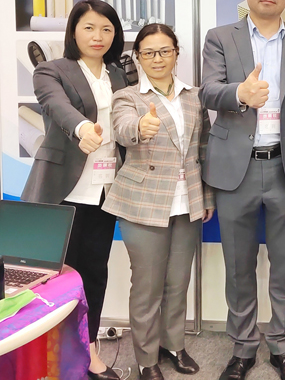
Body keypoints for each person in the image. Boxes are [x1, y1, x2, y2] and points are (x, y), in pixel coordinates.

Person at [200, 0, 285, 380]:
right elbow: (208, 91)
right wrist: (240, 93)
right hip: (234, 169)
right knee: (239, 266)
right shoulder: (220, 37)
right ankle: (242, 348)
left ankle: (283, 347)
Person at [21, 0, 128, 380]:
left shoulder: (120, 75)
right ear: (73, 31)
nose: (98, 36)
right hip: (61, 192)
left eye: (107, 29)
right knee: (52, 278)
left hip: (105, 191)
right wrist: (83, 128)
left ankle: (90, 350)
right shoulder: (52, 70)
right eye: (89, 27)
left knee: (94, 273)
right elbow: (56, 106)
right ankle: (48, 358)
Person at [103, 24, 214, 380]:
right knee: (147, 286)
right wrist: (140, 127)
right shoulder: (128, 97)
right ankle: (147, 358)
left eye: (165, 50)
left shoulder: (195, 96)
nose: (158, 58)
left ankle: (173, 345)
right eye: (149, 52)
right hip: (143, 202)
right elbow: (123, 128)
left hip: (187, 201)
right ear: (138, 57)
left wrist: (206, 196)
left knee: (178, 283)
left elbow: (204, 148)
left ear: (177, 53)